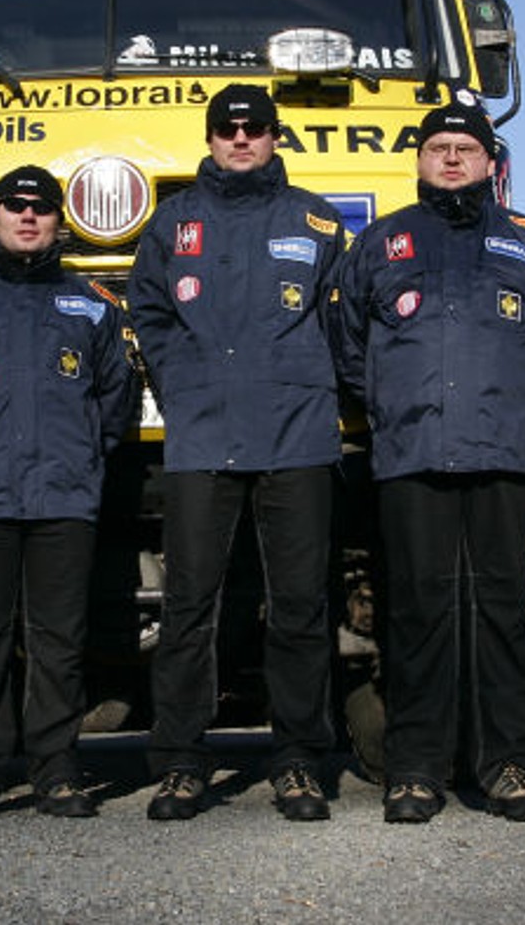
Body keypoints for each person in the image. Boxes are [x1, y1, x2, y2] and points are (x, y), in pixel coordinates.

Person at [333, 102, 525, 824]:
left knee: (505, 613)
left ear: (489, 161)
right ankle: (415, 771)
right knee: (416, 614)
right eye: (437, 147)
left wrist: (516, 404)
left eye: (464, 148)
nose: (450, 159)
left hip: (502, 454)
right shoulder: (380, 243)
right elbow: (349, 345)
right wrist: (392, 403)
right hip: (411, 455)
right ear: (418, 159)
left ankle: (507, 767)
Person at [127, 84, 345, 823]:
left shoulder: (316, 221)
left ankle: (298, 761)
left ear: (275, 137)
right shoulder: (175, 221)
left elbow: (340, 324)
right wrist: (184, 388)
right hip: (202, 436)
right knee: (189, 607)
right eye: (228, 129)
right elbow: (149, 313)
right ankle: (183, 762)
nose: (241, 139)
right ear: (212, 137)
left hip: (297, 435)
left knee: (299, 608)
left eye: (254, 128)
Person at [0, 165, 137, 821]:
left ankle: (56, 766)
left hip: (63, 499)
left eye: (39, 208)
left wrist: (77, 460)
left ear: (55, 221)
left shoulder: (94, 303)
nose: (26, 217)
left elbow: (114, 400)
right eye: (14, 206)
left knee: (59, 640)